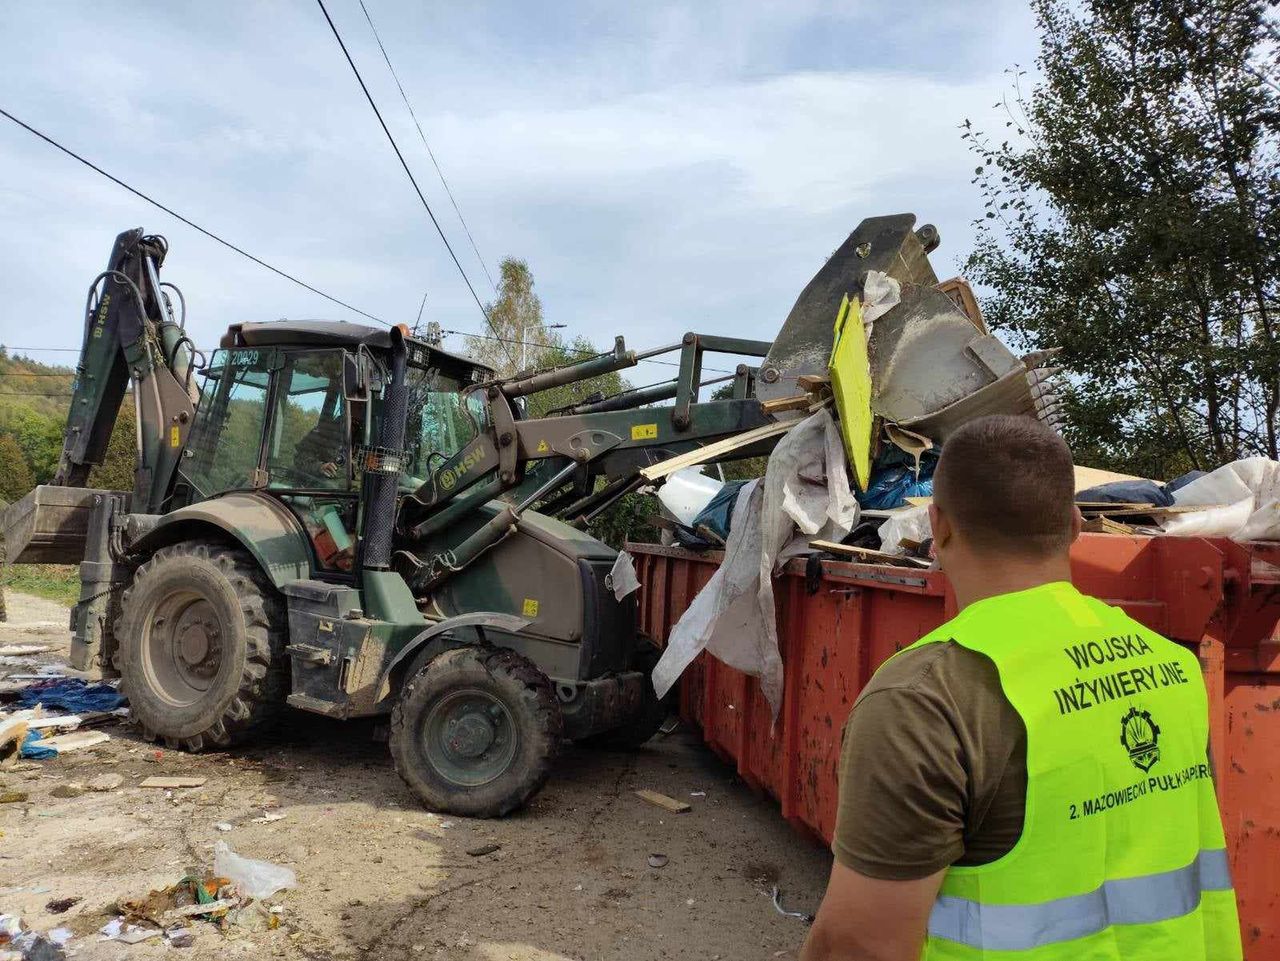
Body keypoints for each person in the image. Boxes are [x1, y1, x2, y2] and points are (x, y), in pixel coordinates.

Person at [800, 415, 1240, 961]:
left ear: (938, 527)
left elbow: (859, 946)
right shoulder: (1171, 667)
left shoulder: (925, 700)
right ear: (1077, 524)